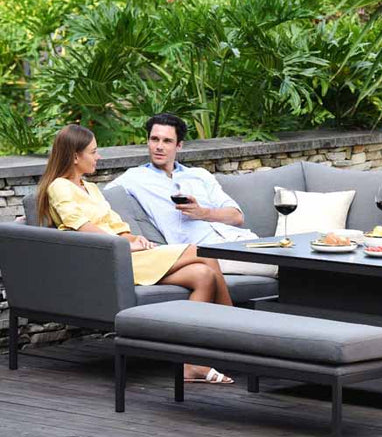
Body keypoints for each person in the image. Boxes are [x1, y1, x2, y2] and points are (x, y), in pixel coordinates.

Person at [36, 124, 235, 384]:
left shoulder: (91, 188)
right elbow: (82, 228)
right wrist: (124, 245)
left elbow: (117, 226)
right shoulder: (60, 187)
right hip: (108, 261)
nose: (99, 157)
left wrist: (133, 238)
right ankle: (239, 337)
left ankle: (190, 363)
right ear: (75, 156)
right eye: (94, 152)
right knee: (200, 252)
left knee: (203, 276)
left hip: (124, 253)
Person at [105, 113, 274, 276]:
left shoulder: (200, 175)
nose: (159, 146)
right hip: (203, 251)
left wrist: (203, 213)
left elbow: (237, 217)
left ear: (179, 145)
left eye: (167, 141)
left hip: (241, 239)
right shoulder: (134, 178)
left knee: (292, 256)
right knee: (285, 267)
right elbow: (96, 198)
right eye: (154, 139)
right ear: (148, 141)